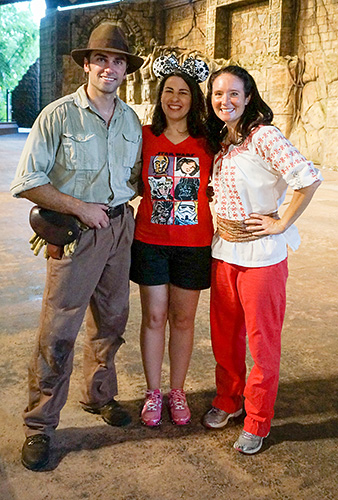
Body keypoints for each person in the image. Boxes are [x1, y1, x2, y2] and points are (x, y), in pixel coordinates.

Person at [10, 22, 144, 471]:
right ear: (87, 64)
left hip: (120, 229)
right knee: (59, 330)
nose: (110, 67)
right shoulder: (58, 115)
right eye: (102, 59)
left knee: (112, 319)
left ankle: (99, 395)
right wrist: (78, 208)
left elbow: (134, 177)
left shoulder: (129, 119)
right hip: (76, 234)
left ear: (126, 70)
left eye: (118, 60)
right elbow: (28, 182)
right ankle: (40, 425)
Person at [202, 65, 322, 454]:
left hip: (262, 258)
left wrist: (281, 222)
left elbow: (308, 178)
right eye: (218, 94)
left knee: (262, 342)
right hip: (224, 251)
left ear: (248, 96)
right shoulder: (225, 140)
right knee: (225, 336)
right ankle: (228, 399)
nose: (225, 101)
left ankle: (257, 419)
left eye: (234, 93)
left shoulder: (263, 136)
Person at [130, 55, 214, 427]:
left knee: (182, 319)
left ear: (194, 99)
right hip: (150, 240)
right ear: (159, 96)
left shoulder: (209, 141)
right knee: (154, 316)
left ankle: (176, 391)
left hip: (194, 243)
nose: (175, 98)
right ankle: (153, 392)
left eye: (183, 92)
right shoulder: (145, 136)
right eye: (169, 91)